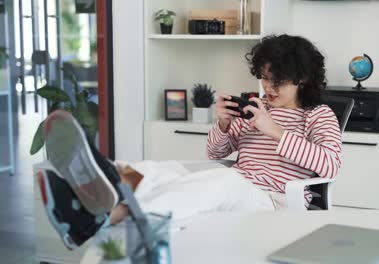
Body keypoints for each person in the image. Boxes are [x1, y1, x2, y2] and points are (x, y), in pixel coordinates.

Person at [43, 34, 342, 227]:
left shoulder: (316, 115)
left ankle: (109, 216)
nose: (268, 87)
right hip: (235, 180)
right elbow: (215, 152)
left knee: (222, 181)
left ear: (301, 78)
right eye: (264, 79)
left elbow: (330, 165)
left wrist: (275, 131)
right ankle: (98, 178)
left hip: (273, 198)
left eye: (277, 81)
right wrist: (223, 125)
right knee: (167, 170)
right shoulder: (256, 107)